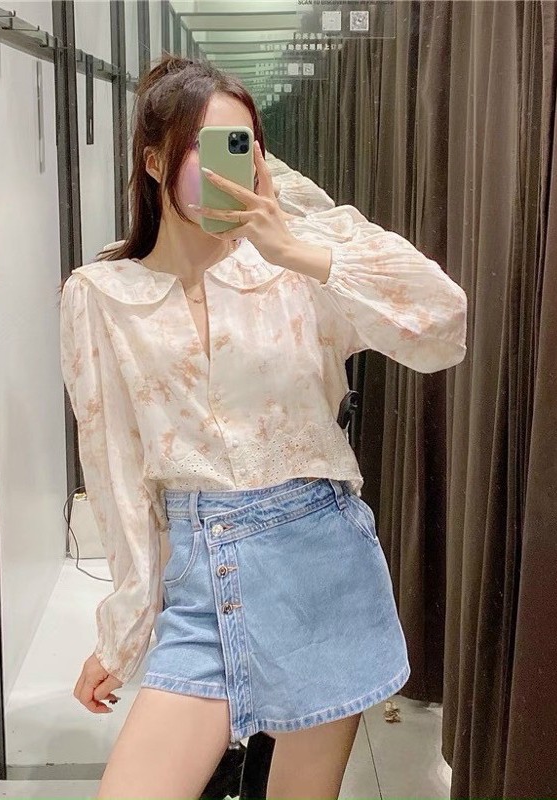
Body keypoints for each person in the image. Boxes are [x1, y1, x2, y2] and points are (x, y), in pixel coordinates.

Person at [59, 54, 467, 800]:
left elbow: (443, 323)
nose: (228, 168)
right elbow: (116, 475)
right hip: (200, 580)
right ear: (153, 161)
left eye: (241, 146)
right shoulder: (102, 294)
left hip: (321, 566)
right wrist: (123, 632)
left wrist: (296, 250)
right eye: (203, 147)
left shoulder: (296, 269)